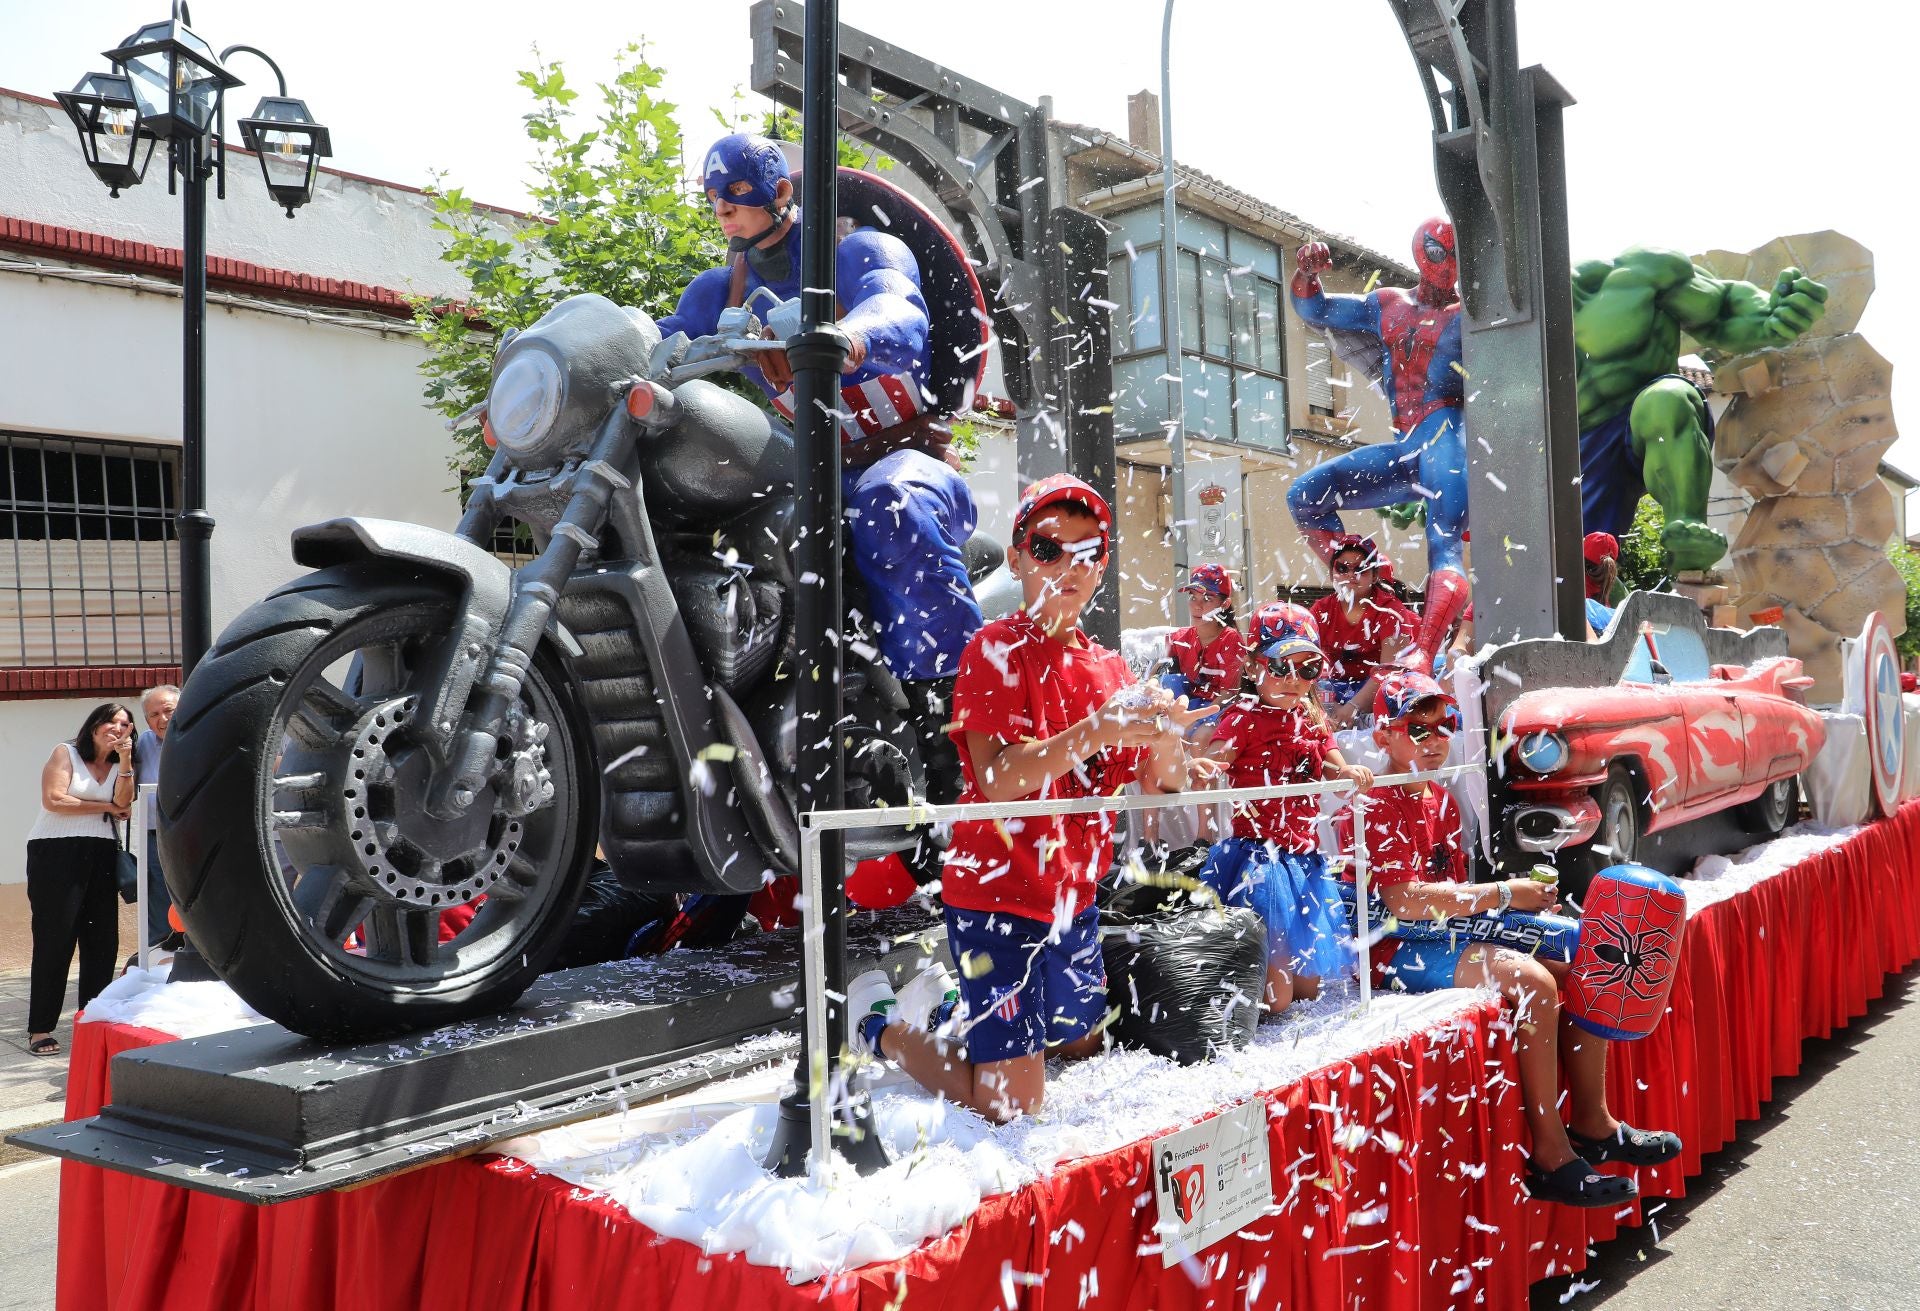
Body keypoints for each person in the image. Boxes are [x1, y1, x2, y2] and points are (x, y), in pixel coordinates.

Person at [847, 474, 1200, 1122]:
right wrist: (1099, 730)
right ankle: (878, 1027)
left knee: (1084, 1041)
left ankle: (956, 1008)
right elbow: (1000, 777)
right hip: (996, 897)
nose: (1068, 565)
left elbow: (1160, 785)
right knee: (1012, 1103)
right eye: (1047, 548)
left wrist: (1171, 734)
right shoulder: (992, 648)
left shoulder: (1111, 669)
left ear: (1102, 565)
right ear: (1016, 558)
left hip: (1073, 899)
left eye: (1087, 551)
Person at [658, 132, 981, 808]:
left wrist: (855, 336)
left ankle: (954, 728)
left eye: (737, 195)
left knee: (888, 503)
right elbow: (660, 338)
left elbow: (900, 309)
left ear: (781, 192)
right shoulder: (724, 289)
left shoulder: (857, 250)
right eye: (714, 199)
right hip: (816, 474)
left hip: (907, 459)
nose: (723, 209)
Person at [1353, 671, 1683, 1207]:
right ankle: (1552, 1156)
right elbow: (1402, 903)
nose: (1436, 739)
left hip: (1437, 931)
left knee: (1585, 951)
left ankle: (1593, 1125)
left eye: (1446, 725)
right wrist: (1506, 894)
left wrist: (1516, 902)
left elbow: (1448, 898)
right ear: (1383, 737)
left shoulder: (1437, 797)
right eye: (1418, 728)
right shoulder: (1374, 802)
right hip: (1387, 949)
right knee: (1532, 980)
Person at [1288, 220, 1471, 673]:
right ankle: (1363, 585)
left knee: (1444, 544)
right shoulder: (1389, 304)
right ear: (1419, 253)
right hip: (1406, 445)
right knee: (1305, 497)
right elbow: (1317, 310)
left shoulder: (1472, 318)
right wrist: (1307, 275)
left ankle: (1424, 655)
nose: (1446, 264)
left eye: (1453, 253)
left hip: (1445, 438)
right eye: (1438, 251)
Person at [1194, 602, 1372, 1016]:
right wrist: (1203, 767)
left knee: (1310, 989)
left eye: (1308, 669)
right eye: (1281, 667)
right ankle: (1236, 1002)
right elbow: (1219, 757)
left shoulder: (1311, 717)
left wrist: (1348, 772)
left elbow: (1331, 762)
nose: (1295, 680)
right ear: (1256, 665)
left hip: (1305, 859)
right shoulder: (1242, 715)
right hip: (1260, 858)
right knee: (1279, 998)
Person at [25, 702, 135, 1056]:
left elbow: (125, 801)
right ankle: (40, 1029)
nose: (117, 728)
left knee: (102, 941)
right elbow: (55, 800)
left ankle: (93, 1017)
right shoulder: (66, 752)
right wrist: (106, 808)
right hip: (56, 851)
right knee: (55, 940)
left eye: (125, 724)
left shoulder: (122, 764)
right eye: (111, 722)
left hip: (101, 851)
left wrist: (127, 761)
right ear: (94, 726)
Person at [1145, 564, 1246, 851]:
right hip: (1187, 706)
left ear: (1224, 603)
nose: (1198, 605)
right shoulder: (1177, 638)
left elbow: (1230, 692)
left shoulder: (1231, 640)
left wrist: (1199, 719)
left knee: (1201, 739)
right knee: (1155, 736)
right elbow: (1156, 675)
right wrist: (1155, 690)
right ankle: (1150, 838)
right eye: (1193, 597)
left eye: (1208, 598)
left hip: (1222, 707)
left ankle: (1205, 834)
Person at [1307, 534, 1415, 729]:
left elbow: (1390, 671)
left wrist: (1352, 708)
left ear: (1375, 576)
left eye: (1361, 569)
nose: (1351, 575)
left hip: (1378, 692)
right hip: (1333, 692)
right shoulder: (1320, 610)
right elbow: (1308, 663)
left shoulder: (1391, 611)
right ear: (1332, 574)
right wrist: (1328, 709)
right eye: (1342, 568)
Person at [132, 684, 181, 953]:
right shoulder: (145, 743)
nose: (162, 719)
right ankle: (157, 958)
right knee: (160, 898)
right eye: (153, 715)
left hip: (197, 833)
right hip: (156, 834)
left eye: (168, 711)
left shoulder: (203, 736)